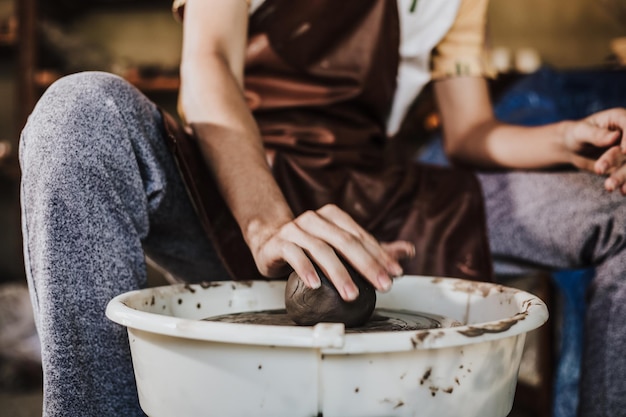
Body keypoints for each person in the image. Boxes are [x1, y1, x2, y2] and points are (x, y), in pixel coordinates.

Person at [18, 0, 625, 416]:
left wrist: (566, 138)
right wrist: (267, 220)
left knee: (618, 211)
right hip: (232, 183)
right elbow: (211, 65)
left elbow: (470, 130)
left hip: (371, 193)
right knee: (79, 113)